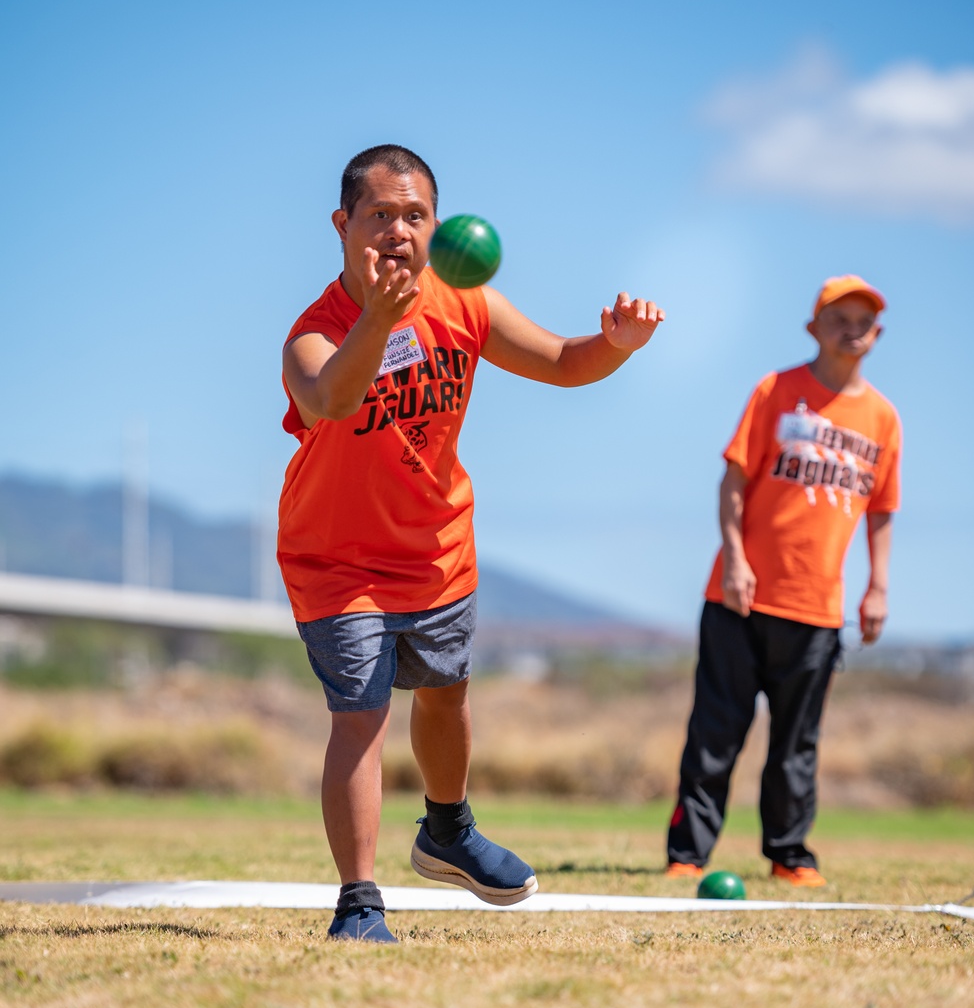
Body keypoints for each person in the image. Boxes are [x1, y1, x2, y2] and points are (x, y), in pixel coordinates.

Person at [279, 144, 663, 942]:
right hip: (338, 560)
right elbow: (330, 400)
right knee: (363, 715)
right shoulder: (313, 334)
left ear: (438, 227)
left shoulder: (467, 300)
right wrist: (379, 321)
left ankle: (447, 831)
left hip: (437, 547)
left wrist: (618, 345)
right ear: (342, 225)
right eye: (379, 215)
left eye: (414, 216)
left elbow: (562, 361)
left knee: (446, 696)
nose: (397, 231)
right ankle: (359, 902)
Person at [666, 275, 901, 889]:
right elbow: (733, 481)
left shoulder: (883, 418)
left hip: (818, 609)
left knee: (797, 744)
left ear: (877, 333)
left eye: (863, 319)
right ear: (813, 327)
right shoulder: (776, 391)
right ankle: (687, 853)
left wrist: (877, 587)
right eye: (838, 316)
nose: (852, 328)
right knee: (716, 733)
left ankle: (789, 854)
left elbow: (881, 510)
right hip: (739, 598)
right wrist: (736, 558)